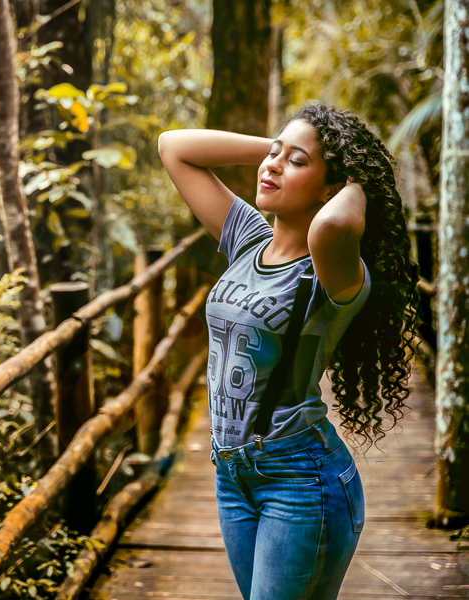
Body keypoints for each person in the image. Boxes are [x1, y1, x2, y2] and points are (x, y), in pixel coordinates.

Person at [156, 104, 418, 600]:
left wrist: (357, 173)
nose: (272, 166)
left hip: (298, 479)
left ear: (331, 188)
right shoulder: (246, 239)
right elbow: (174, 147)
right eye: (273, 155)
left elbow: (329, 226)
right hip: (232, 474)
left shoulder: (333, 268)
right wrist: (282, 150)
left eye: (296, 162)